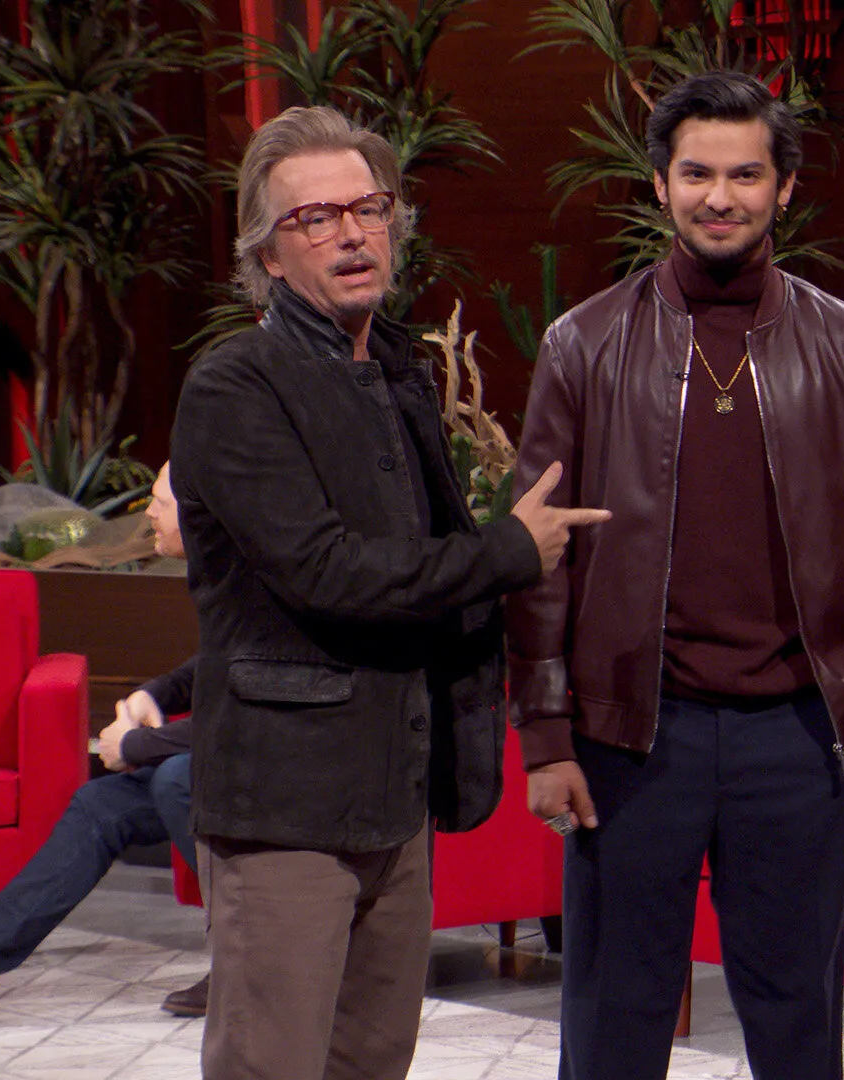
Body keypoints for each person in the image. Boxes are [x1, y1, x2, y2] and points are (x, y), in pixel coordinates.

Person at [170, 104, 606, 1080]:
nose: (352, 233)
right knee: (272, 1067)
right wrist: (507, 552)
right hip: (286, 807)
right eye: (315, 218)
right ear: (268, 256)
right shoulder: (237, 384)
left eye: (368, 208)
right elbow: (326, 571)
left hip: (395, 792)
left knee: (373, 1061)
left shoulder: (399, 373)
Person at [506, 69, 844, 1080]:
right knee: (613, 1019)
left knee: (798, 1022)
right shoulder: (583, 344)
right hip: (632, 735)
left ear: (785, 188)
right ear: (660, 183)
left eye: (745, 175)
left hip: (799, 736)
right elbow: (539, 560)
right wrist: (547, 734)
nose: (719, 197)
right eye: (697, 174)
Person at [0, 464, 208, 1025]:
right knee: (102, 803)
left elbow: (245, 718)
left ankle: (251, 959)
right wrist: (153, 692)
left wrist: (138, 745)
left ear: (200, 512)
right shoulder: (222, 577)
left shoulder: (259, 581)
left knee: (174, 777)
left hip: (285, 770)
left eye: (159, 502)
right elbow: (215, 668)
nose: (147, 514)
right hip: (235, 763)